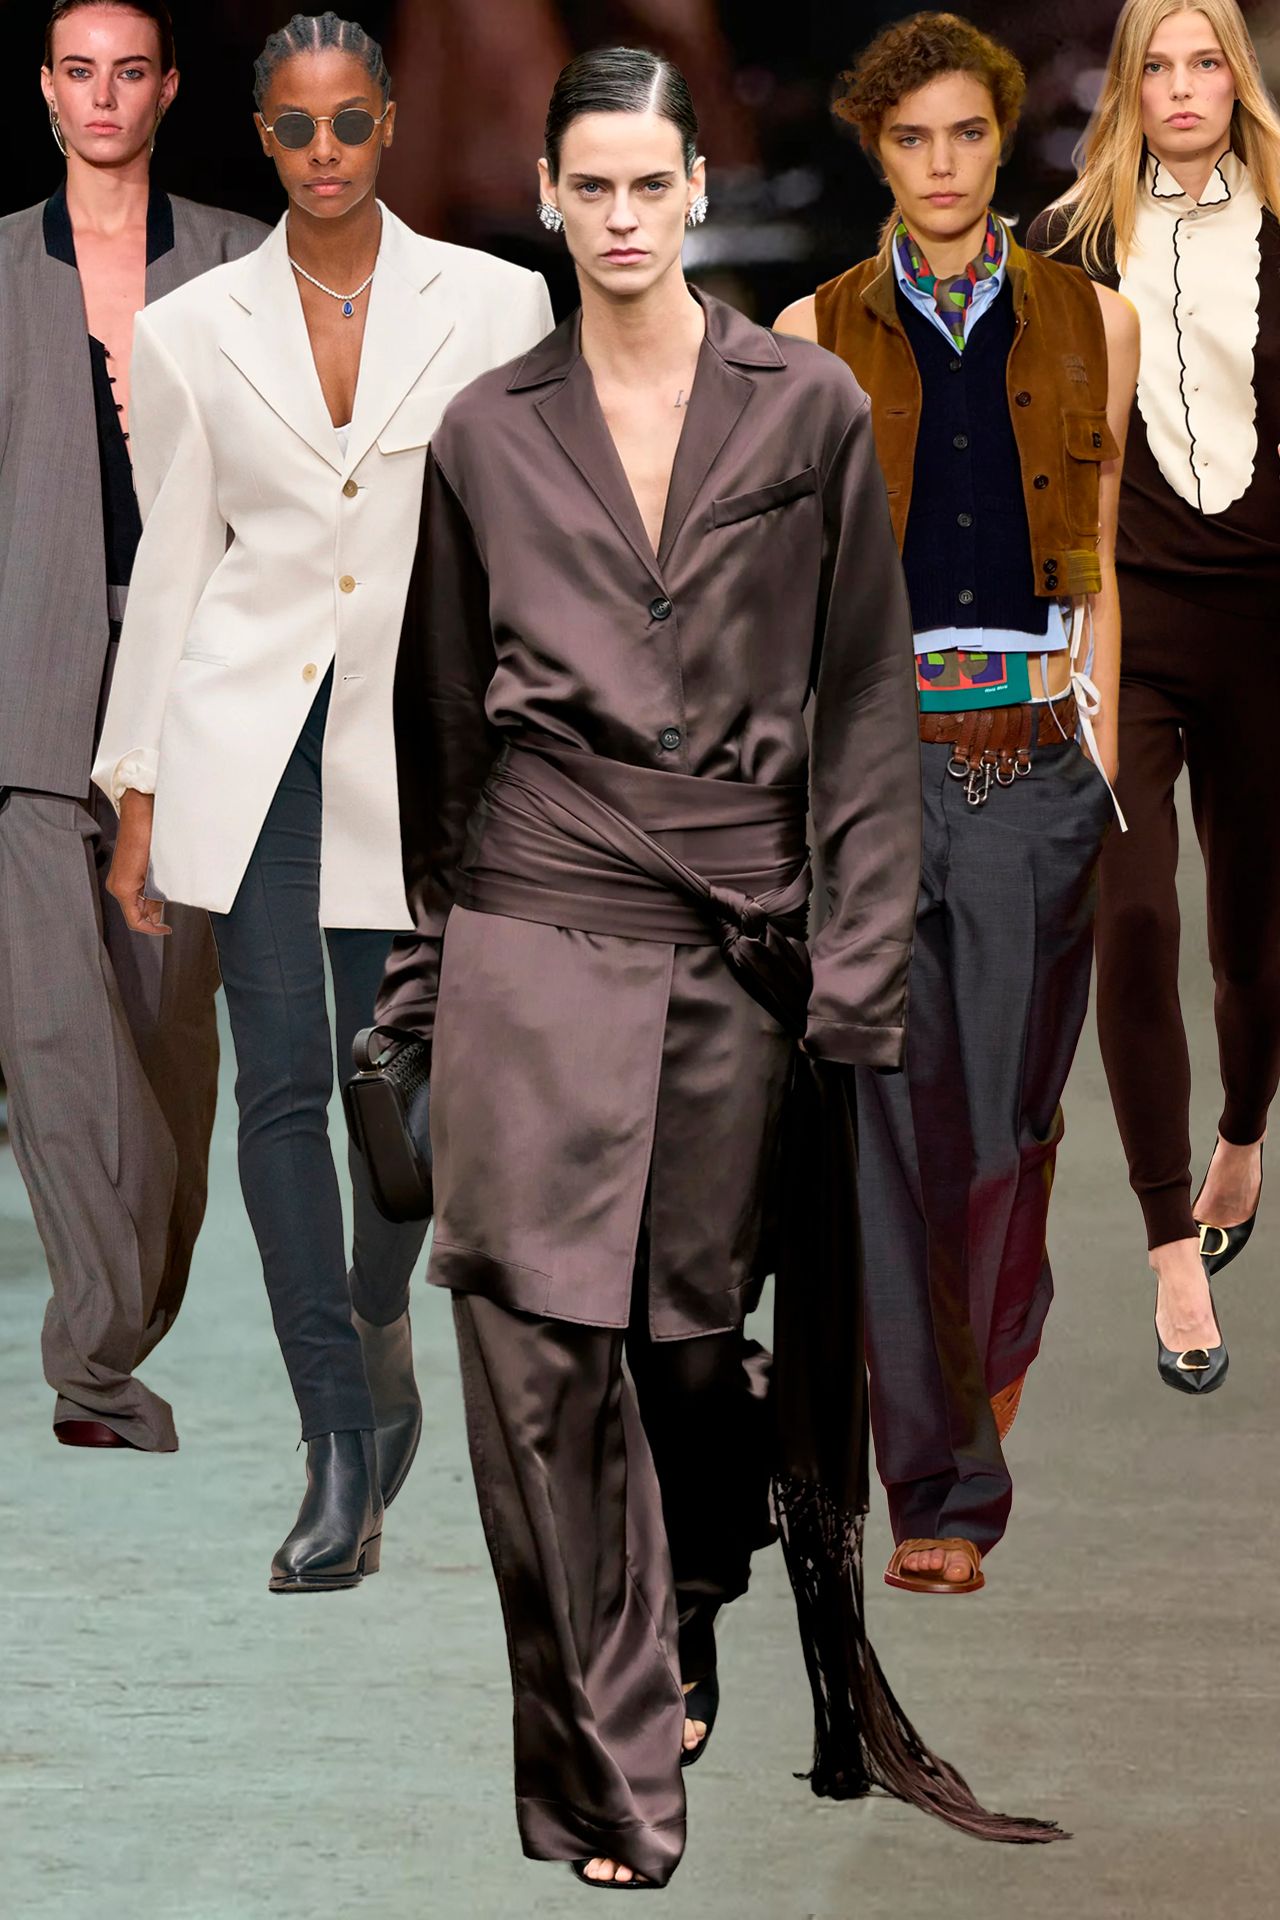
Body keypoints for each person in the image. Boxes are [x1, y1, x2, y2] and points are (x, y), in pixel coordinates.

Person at [373, 42, 1063, 1891]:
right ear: (546, 199)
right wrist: (432, 978)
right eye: (587, 186)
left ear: (696, 192)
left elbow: (863, 700)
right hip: (535, 920)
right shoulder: (485, 434)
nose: (619, 216)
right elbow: (443, 726)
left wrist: (859, 975)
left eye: (647, 185)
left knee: (686, 1348)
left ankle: (688, 1589)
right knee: (535, 1351)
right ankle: (603, 1781)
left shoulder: (806, 409)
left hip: (735, 946)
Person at [92, 10, 553, 1589]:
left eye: (351, 121)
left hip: (427, 749)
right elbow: (175, 561)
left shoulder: (495, 306)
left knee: (404, 1097)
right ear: (262, 137)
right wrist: (138, 784)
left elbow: (526, 539)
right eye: (295, 128)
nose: (326, 151)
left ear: (390, 121)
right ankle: (336, 1448)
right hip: (255, 740)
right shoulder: (189, 331)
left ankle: (374, 1311)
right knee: (283, 1083)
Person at [776, 12, 1138, 1590]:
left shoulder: (1093, 323)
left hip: (1035, 759)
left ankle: (993, 1335)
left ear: (1003, 141)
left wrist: (1103, 763)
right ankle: (942, 1489)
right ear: (878, 150)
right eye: (911, 138)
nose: (941, 164)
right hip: (876, 763)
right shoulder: (809, 331)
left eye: (966, 135)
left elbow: (1104, 558)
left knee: (1003, 1123)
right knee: (890, 1126)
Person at [0, 0, 266, 1453]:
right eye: (78, 72)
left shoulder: (238, 262)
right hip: (25, 688)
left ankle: (128, 1310)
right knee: (52, 1036)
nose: (102, 96)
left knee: (168, 1043)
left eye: (129, 72)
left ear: (166, 90)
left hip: (193, 682)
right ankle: (92, 1367)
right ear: (46, 90)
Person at [1028, 0, 1280, 1395]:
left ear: (1236, 80)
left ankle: (1243, 1129)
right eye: (1158, 64)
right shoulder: (1065, 247)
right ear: (1128, 84)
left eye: (1205, 62)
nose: (1183, 87)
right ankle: (1169, 1242)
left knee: (1257, 948)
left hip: (1269, 623)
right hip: (1126, 623)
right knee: (1130, 917)